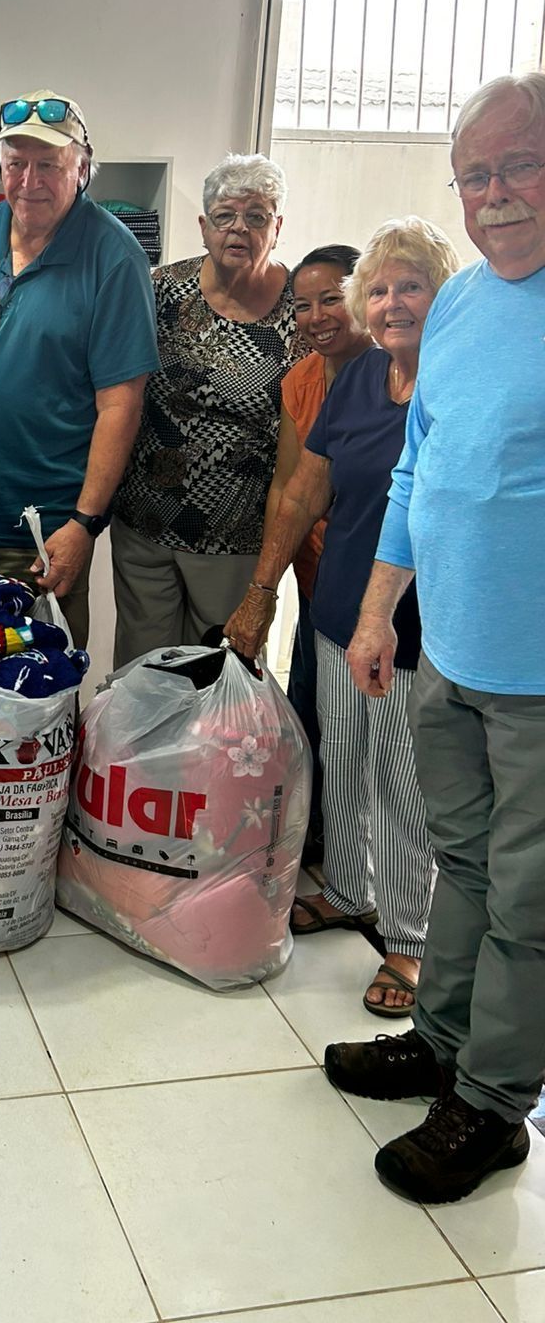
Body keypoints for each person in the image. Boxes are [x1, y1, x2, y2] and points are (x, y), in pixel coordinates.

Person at [324, 71, 545, 1205]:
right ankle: (446, 1040)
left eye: (520, 166)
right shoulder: (461, 306)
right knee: (464, 864)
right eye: (475, 174)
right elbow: (417, 468)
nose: (496, 194)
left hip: (541, 680)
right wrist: (377, 614)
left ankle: (495, 1104)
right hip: (449, 650)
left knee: (530, 896)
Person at [225, 217, 461, 1016]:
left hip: (413, 627)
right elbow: (305, 490)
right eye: (383, 289)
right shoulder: (358, 381)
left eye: (412, 286)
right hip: (338, 613)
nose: (394, 303)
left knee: (402, 783)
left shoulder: (455, 383)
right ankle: (352, 890)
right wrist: (262, 591)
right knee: (348, 763)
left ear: (443, 293)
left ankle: (409, 941)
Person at [0, 90, 158, 648]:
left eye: (49, 164)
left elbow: (120, 405)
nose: (30, 181)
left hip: (40, 533)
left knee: (34, 705)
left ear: (83, 168)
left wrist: (84, 523)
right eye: (16, 163)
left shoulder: (114, 258)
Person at [112, 153, 304, 665]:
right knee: (141, 678)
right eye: (225, 215)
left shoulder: (299, 311)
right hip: (144, 527)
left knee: (220, 690)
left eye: (257, 216)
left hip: (235, 541)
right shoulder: (158, 290)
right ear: (204, 226)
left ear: (277, 226)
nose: (239, 228)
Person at [249, 245, 370, 856]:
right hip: (316, 574)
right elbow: (289, 487)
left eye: (333, 299)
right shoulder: (301, 379)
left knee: (371, 737)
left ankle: (374, 877)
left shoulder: (397, 374)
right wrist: (266, 587)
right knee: (312, 713)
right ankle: (316, 846)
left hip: (375, 587)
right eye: (303, 305)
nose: (317, 315)